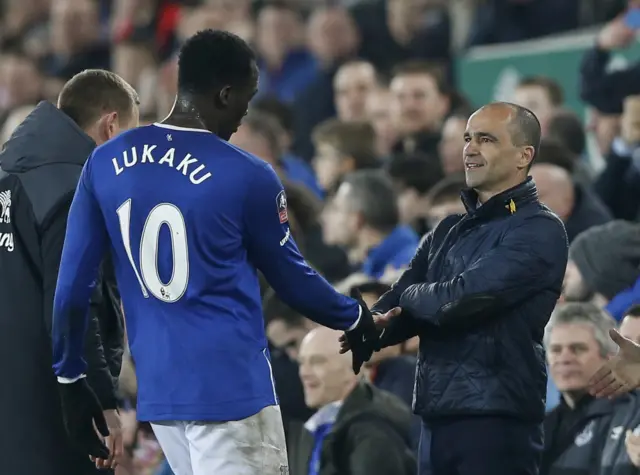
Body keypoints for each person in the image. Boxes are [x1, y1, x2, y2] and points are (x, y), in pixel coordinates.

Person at [49, 29, 379, 475]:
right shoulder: (247, 175)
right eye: (247, 98)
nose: (245, 114)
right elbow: (291, 279)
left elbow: (70, 290)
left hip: (161, 396)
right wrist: (354, 317)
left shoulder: (105, 162)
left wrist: (70, 378)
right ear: (225, 93)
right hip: (232, 394)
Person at [342, 102, 569, 475]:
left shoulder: (539, 229)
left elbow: (461, 300)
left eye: (486, 139)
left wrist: (416, 298)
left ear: (523, 155)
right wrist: (372, 327)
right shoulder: (448, 229)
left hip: (497, 421)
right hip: (435, 416)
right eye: (467, 138)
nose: (470, 148)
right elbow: (397, 298)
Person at [0, 70, 139, 475]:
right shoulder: (74, 188)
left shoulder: (10, 173)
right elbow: (73, 305)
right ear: (111, 125)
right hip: (54, 410)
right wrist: (100, 401)